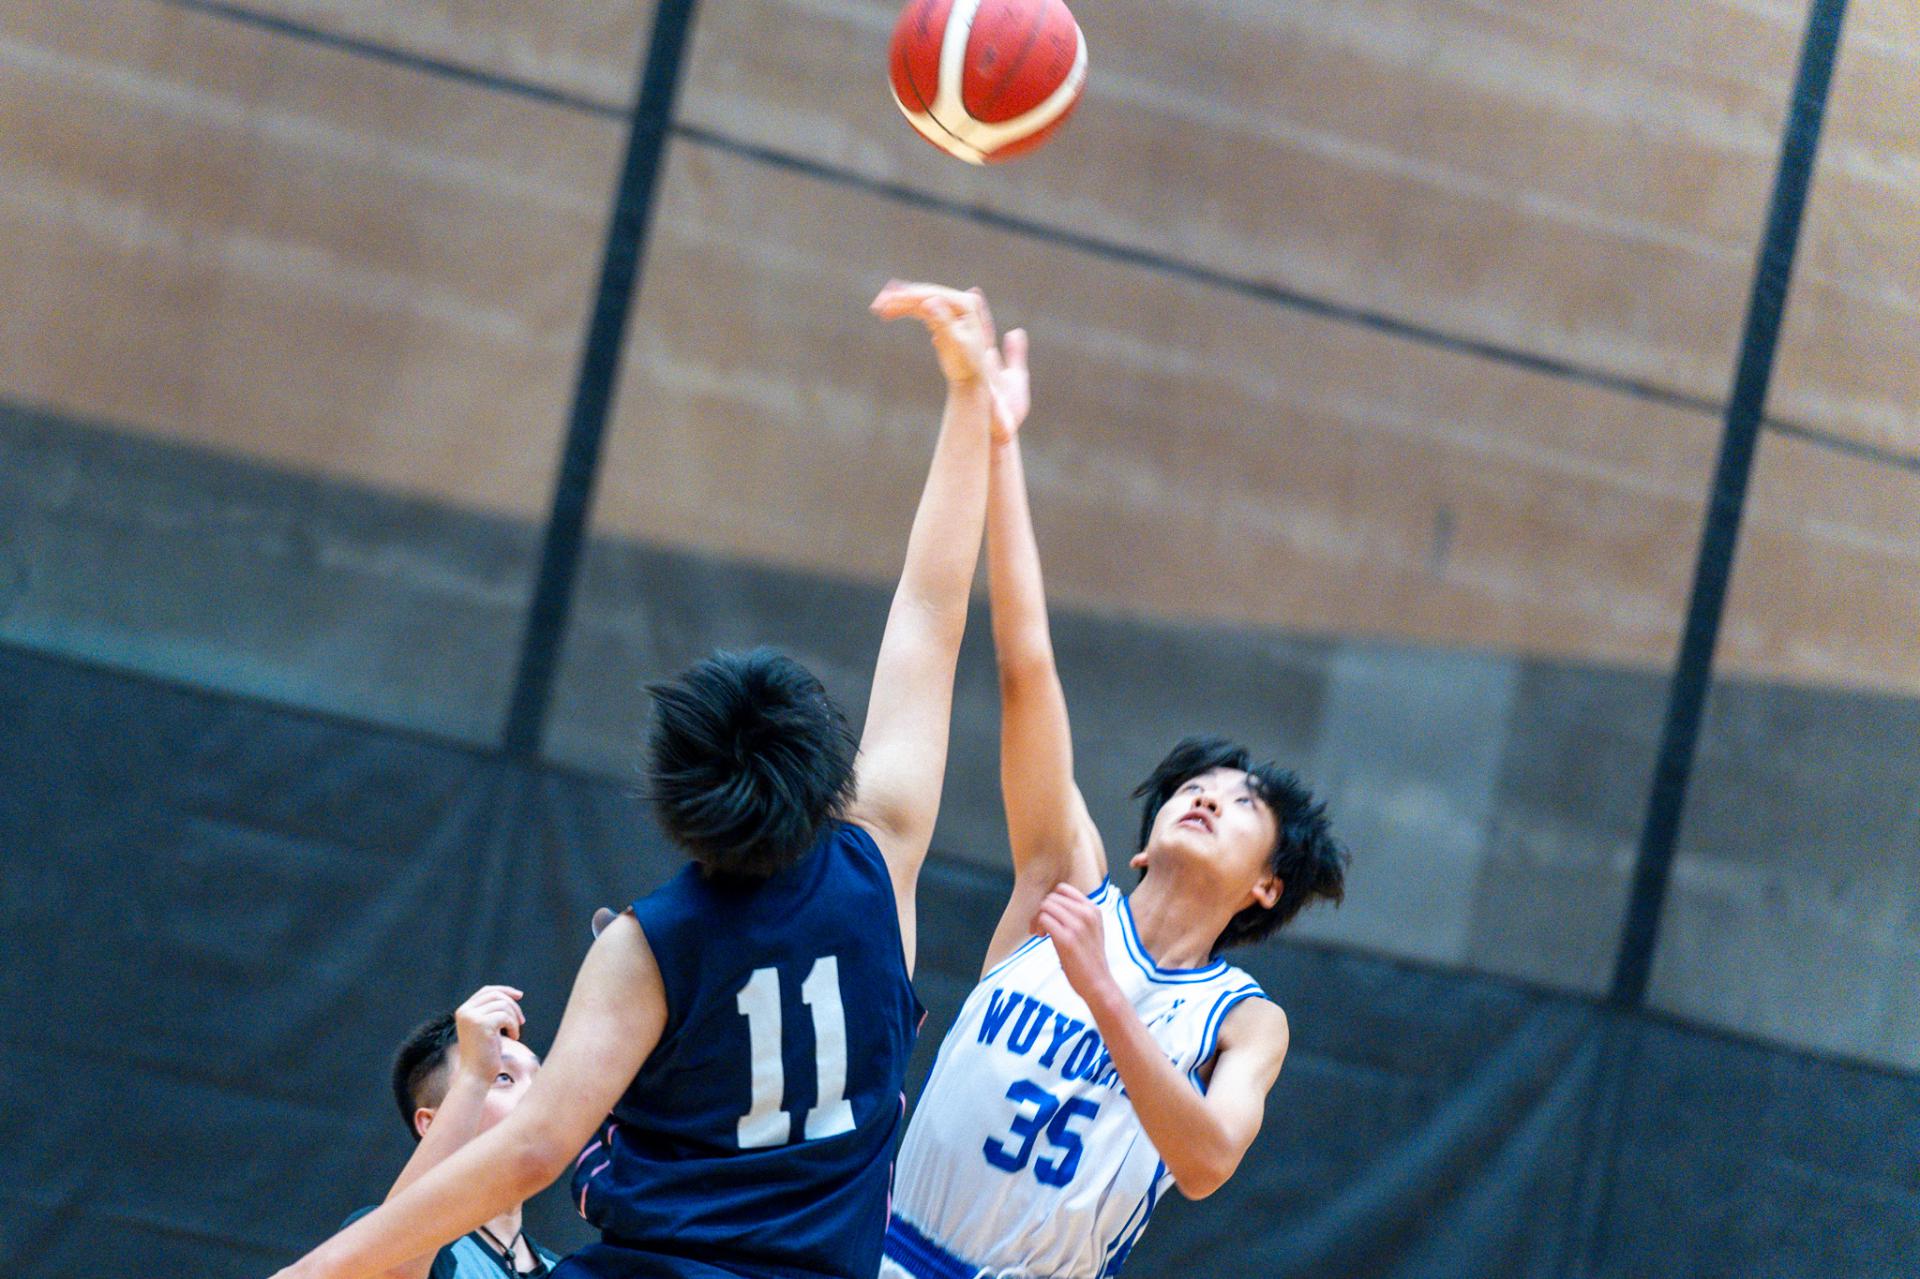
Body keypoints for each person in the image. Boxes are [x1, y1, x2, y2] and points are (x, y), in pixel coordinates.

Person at [273, 281, 1015, 1279]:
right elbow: (932, 616)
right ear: (821, 765)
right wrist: (969, 401)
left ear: (676, 793)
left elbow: (533, 1149)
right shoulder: (880, 850)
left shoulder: (650, 944)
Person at [880, 310, 1349, 1278]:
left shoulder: (1241, 1018)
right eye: (1195, 786)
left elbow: (1209, 1158)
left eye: (1245, 801)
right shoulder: (1065, 883)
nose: (1209, 797)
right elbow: (1026, 665)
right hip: (873, 1251)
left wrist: (1104, 993)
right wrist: (999, 445)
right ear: (1140, 843)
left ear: (1268, 886)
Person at [347, 985, 560, 1279]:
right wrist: (476, 1074)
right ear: (431, 1123)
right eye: (502, 1077)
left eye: (541, 1079)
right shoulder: (383, 1236)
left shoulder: (569, 1270)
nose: (536, 1095)